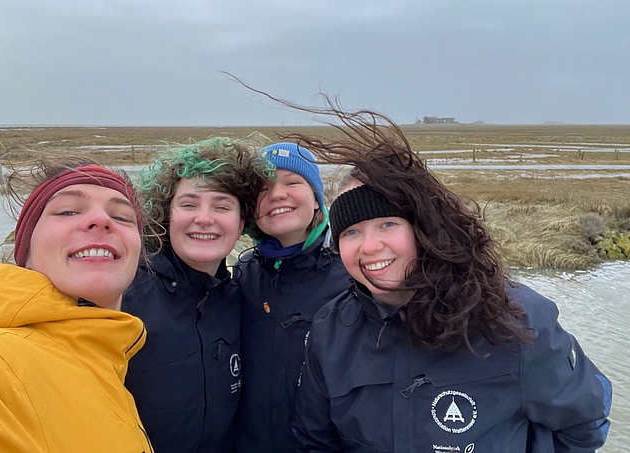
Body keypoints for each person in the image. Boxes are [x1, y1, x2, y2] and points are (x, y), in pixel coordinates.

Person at [285, 105, 613, 452]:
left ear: (424, 228)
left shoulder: (514, 320)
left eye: (388, 224)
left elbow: (584, 424)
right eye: (351, 232)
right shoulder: (332, 330)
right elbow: (315, 440)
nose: (369, 246)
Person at [0, 159, 153, 452]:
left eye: (122, 217)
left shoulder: (107, 357)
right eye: (68, 211)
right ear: (25, 250)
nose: (101, 220)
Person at [122, 137, 269, 453]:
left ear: (242, 222)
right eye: (188, 204)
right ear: (166, 214)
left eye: (222, 206)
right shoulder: (123, 295)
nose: (204, 218)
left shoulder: (235, 298)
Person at [234, 142, 352, 453]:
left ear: (316, 199)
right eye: (264, 187)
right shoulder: (243, 275)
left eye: (292, 182)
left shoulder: (352, 276)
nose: (277, 194)